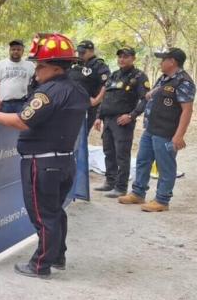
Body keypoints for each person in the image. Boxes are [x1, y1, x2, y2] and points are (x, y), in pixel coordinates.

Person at [0, 33, 89, 279]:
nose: (36, 70)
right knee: (55, 211)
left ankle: (40, 264)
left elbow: (22, 120)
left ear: (54, 68)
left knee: (42, 214)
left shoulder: (47, 93)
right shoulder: (78, 90)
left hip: (41, 162)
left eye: (40, 65)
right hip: (64, 160)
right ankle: (57, 255)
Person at [118, 48, 195, 212]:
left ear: (172, 61)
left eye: (163, 60)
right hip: (151, 128)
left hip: (166, 132)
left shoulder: (184, 82)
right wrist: (152, 93)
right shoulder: (164, 78)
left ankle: (162, 200)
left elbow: (187, 110)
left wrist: (179, 136)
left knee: (165, 165)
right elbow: (155, 94)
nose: (160, 63)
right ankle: (138, 193)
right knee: (142, 161)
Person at [93, 47, 149, 198]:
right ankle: (110, 182)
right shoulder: (114, 75)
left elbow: (145, 99)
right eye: (120, 57)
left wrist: (131, 116)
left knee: (121, 155)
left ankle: (121, 187)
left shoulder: (139, 76)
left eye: (126, 56)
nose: (122, 59)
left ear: (133, 58)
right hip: (108, 120)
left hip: (122, 121)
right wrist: (98, 116)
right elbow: (106, 98)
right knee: (108, 152)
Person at [68, 40, 111, 135]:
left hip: (87, 107)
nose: (80, 54)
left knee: (80, 136)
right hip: (71, 105)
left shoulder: (99, 65)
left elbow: (107, 83)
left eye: (83, 52)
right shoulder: (75, 64)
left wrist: (97, 100)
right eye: (79, 52)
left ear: (91, 51)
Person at [0, 39, 36, 113]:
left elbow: (37, 80)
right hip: (4, 104)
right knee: (2, 124)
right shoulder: (1, 64)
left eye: (18, 49)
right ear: (9, 51)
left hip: (22, 103)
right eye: (13, 49)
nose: (16, 51)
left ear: (22, 51)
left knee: (19, 124)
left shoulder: (30, 65)